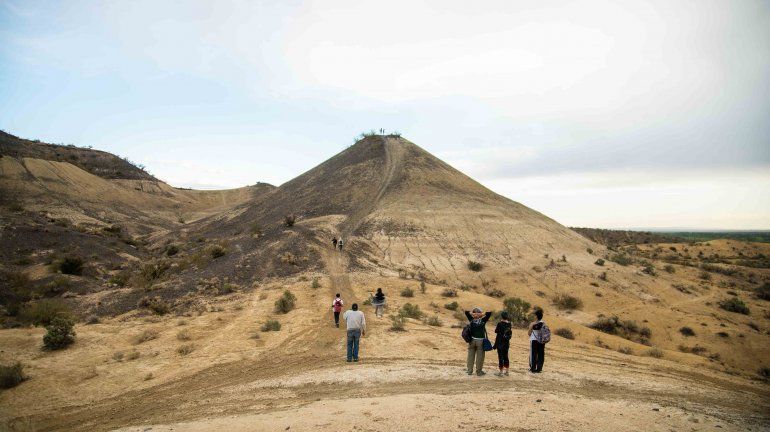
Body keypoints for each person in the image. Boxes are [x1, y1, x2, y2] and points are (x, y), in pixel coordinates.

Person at [464, 307, 492, 376]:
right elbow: (489, 313)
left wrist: (473, 314)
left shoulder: (471, 319)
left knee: (470, 356)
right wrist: (480, 314)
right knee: (480, 357)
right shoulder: (483, 320)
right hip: (480, 341)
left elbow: (466, 312)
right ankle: (479, 372)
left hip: (472, 341)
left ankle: (469, 371)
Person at [492, 311, 512, 376]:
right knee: (506, 356)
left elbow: (496, 331)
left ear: (502, 316)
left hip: (500, 343)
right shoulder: (509, 324)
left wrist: (495, 345)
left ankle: (501, 372)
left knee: (500, 357)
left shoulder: (500, 324)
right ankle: (507, 371)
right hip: (506, 343)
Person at [528, 308, 546, 373]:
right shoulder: (544, 323)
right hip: (541, 341)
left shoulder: (532, 324)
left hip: (534, 340)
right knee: (541, 354)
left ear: (536, 316)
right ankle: (539, 368)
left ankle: (532, 368)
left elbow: (529, 333)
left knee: (533, 354)